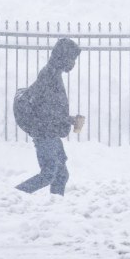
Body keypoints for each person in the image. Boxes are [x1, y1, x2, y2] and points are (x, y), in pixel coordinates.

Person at [14, 38, 82, 196]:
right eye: (72, 59)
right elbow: (46, 111)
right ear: (63, 57)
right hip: (44, 132)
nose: (73, 63)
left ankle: (55, 207)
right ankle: (15, 196)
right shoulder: (49, 75)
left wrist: (68, 119)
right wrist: (68, 120)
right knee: (48, 174)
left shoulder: (54, 73)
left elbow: (52, 108)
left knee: (61, 175)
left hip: (50, 131)